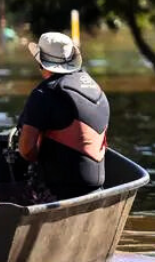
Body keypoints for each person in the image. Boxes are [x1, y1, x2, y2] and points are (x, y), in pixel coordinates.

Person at [17, 32, 110, 201]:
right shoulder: (96, 89)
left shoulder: (43, 93)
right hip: (98, 186)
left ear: (41, 62)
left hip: (62, 191)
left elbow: (26, 150)